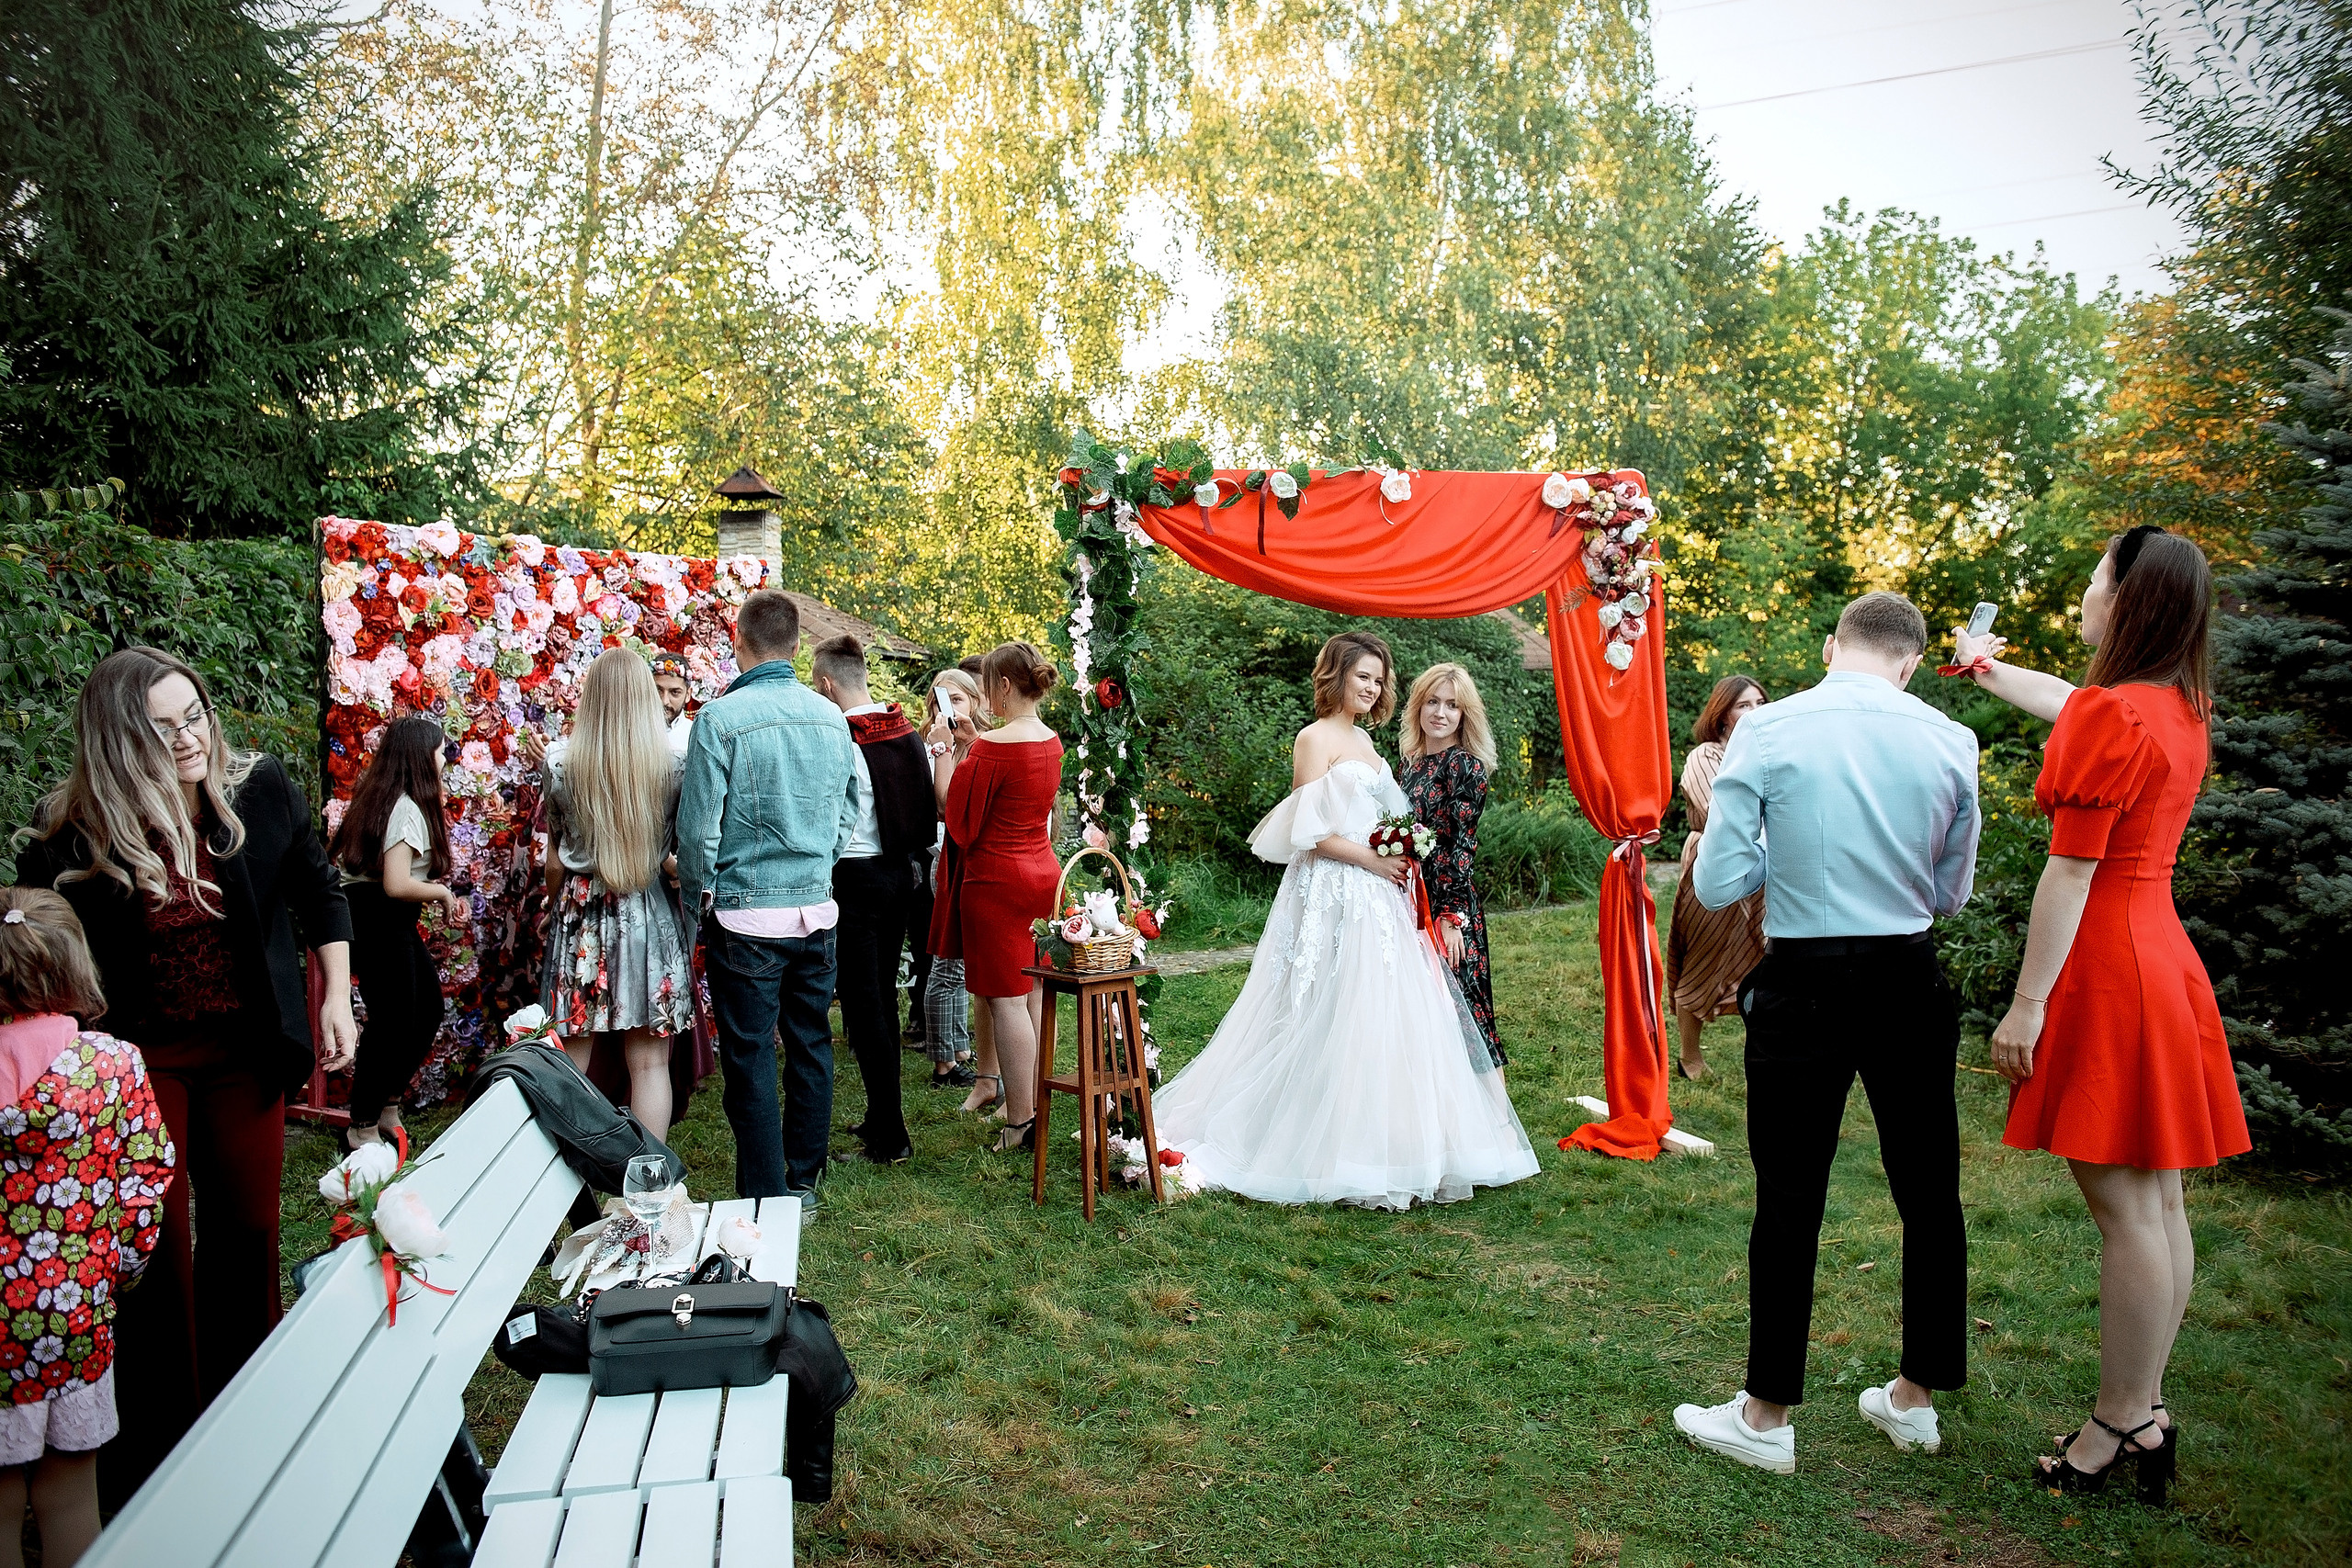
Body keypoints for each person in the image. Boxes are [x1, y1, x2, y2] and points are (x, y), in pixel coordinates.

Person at [10, 647, 355, 1504]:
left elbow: (319, 891)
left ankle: (253, 1427)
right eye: (164, 728)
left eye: (194, 712)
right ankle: (160, 1460)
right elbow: (37, 956)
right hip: (137, 1062)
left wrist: (339, 994)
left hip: (245, 1052)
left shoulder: (258, 790)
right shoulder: (68, 836)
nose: (191, 736)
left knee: (246, 1234)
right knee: (150, 1255)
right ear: (120, 741)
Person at [1949, 526, 2249, 1503]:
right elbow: (2075, 704)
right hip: (2162, 953)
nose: (2082, 594)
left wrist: (2027, 1004)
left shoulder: (2112, 716)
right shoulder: (2175, 705)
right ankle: (2146, 1410)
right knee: (2157, 1204)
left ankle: (2118, 1420)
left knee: (2124, 1213)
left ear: (2126, 602)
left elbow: (2069, 871)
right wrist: (1989, 671)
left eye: (2092, 580)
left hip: (2108, 965)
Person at [1672, 592, 1979, 1474]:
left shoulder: (1769, 733)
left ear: (1831, 646)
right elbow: (1952, 893)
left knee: (1791, 1193)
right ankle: (1916, 1398)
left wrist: (1788, 851)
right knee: (1929, 1187)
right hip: (1907, 974)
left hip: (1805, 977)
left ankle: (1765, 1417)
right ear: (1912, 661)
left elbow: (1725, 878)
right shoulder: (1949, 739)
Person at [1151, 632, 1540, 1208]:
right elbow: (1307, 830)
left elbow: (1382, 818)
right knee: (1325, 1002)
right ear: (1336, 675)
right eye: (1363, 676)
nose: (1372, 688)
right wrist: (1372, 859)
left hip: (1378, 896)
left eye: (1380, 681)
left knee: (1379, 1007)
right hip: (1334, 885)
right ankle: (1309, 1132)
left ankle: (1389, 1135)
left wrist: (1396, 854)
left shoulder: (1370, 744)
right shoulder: (1315, 738)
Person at [0, 888, 175, 1568]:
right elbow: (145, 1185)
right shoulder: (114, 1066)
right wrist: (115, 1270)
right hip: (76, 1314)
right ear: (76, 965)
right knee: (72, 1496)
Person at [679, 591, 859, 1207]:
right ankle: (802, 1180)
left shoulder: (719, 719)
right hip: (814, 907)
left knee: (751, 1054)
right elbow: (848, 812)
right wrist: (817, 866)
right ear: (795, 644)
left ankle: (765, 1188)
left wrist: (696, 901)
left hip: (747, 911)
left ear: (739, 639)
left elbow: (698, 830)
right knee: (811, 1041)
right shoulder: (832, 717)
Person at [541, 649, 693, 1141]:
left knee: (571, 1058)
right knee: (649, 1065)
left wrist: (553, 906)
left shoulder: (561, 763)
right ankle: (647, 1179)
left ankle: (566, 1177)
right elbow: (676, 847)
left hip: (580, 913)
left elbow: (555, 858)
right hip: (648, 910)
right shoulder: (673, 765)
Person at [924, 642, 1064, 1154]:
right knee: (1030, 993)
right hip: (1042, 873)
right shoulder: (1050, 740)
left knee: (1004, 1001)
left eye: (987, 686)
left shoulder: (992, 746)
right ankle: (1031, 1104)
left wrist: (945, 750)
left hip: (997, 880)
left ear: (1003, 686)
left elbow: (955, 815)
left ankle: (1021, 1121)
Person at [810, 635, 938, 1166]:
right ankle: (881, 1115)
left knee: (866, 1008)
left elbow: (831, 817)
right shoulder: (903, 730)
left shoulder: (842, 739)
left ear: (824, 683)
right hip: (901, 875)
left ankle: (891, 1133)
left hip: (856, 880)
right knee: (880, 998)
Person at [326, 716, 466, 1148]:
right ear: (424, 756)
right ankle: (361, 1125)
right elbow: (396, 883)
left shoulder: (394, 799)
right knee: (393, 1021)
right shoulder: (405, 807)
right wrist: (442, 893)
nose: (447, 759)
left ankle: (385, 1105)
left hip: (383, 916)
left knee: (423, 1012)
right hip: (378, 915)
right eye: (443, 751)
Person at [1397, 661, 1505, 1073]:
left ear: (1465, 715)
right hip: (1409, 898)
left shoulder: (1465, 766)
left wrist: (1452, 917)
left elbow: (1462, 847)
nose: (1440, 713)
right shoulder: (1410, 762)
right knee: (1423, 1010)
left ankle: (1499, 1124)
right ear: (1418, 707)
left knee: (1467, 1009)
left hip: (1447, 903)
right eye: (1432, 702)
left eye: (1452, 706)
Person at [1664, 676, 1770, 1080]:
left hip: (1762, 867)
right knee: (1702, 956)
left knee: (1760, 959)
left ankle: (1761, 1054)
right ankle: (1690, 1056)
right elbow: (1718, 815)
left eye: (1760, 703)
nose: (1754, 712)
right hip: (1711, 864)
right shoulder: (1706, 757)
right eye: (1744, 705)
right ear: (1722, 714)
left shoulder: (1769, 754)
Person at [916, 670, 985, 1094]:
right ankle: (945, 1058)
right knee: (948, 963)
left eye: (959, 701)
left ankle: (959, 1048)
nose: (952, 710)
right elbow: (943, 806)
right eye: (944, 701)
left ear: (976, 703)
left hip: (975, 858)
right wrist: (945, 745)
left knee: (962, 965)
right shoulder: (933, 748)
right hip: (946, 856)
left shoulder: (978, 744)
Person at [650, 652, 696, 757]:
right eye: (658, 691)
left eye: (674, 692)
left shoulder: (695, 735)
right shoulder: (633, 729)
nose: (664, 701)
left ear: (688, 694)